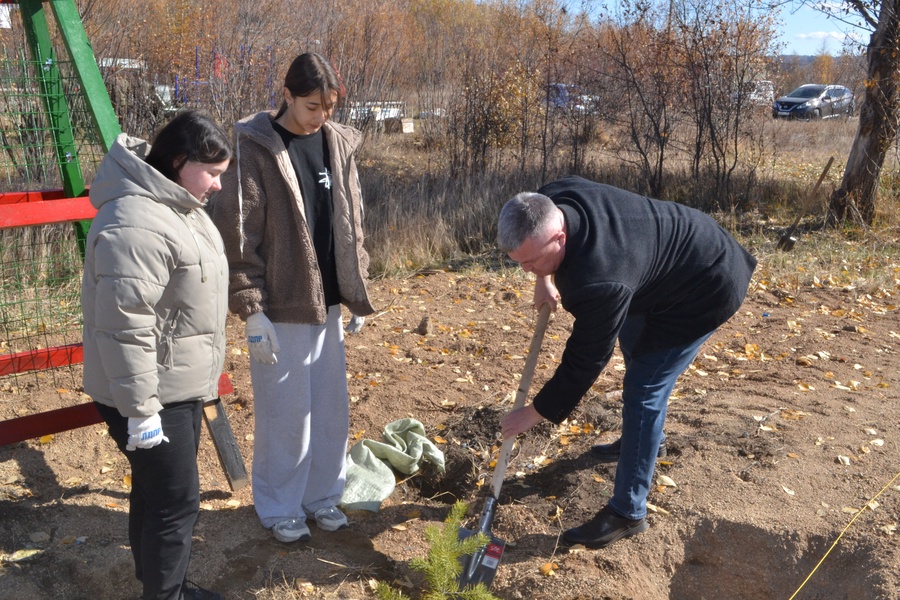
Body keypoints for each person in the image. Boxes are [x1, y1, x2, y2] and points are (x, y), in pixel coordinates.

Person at [497, 175, 756, 550]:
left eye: (532, 262)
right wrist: (543, 277)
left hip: (706, 284)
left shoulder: (599, 281)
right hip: (658, 270)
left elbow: (585, 359)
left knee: (644, 388)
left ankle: (627, 512)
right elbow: (544, 252)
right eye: (518, 262)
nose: (525, 270)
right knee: (635, 345)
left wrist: (534, 412)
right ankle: (648, 442)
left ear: (560, 237)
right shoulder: (548, 199)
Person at [210, 52, 374, 544]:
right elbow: (238, 236)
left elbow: (352, 224)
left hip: (327, 304)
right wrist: (250, 309)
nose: (319, 116)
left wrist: (354, 287)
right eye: (310, 106)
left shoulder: (337, 143)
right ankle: (279, 506)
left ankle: (322, 496)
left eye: (327, 106)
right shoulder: (256, 147)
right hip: (279, 307)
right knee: (285, 415)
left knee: (329, 411)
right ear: (285, 95)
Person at [82, 110, 232, 600]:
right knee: (176, 502)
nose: (216, 186)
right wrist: (142, 410)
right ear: (180, 160)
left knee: (154, 493)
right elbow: (125, 325)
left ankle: (164, 586)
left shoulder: (176, 207)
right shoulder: (137, 220)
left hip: (176, 384)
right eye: (211, 174)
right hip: (149, 392)